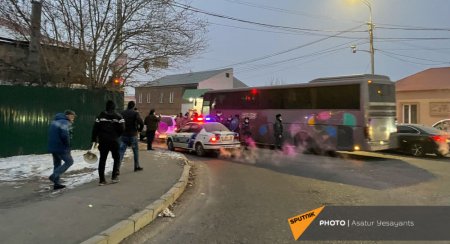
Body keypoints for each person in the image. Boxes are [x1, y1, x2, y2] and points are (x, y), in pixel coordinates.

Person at [91, 100, 124, 185]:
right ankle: (114, 177)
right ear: (114, 107)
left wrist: (94, 139)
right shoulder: (118, 116)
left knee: (102, 159)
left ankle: (102, 180)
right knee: (116, 158)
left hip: (103, 141)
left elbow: (95, 129)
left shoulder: (100, 116)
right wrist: (117, 135)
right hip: (114, 141)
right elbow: (122, 129)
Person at [48, 110, 77, 190]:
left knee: (57, 163)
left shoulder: (55, 121)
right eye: (72, 116)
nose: (73, 118)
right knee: (69, 161)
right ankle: (54, 175)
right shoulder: (65, 122)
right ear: (67, 115)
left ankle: (56, 184)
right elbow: (65, 134)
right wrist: (68, 145)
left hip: (53, 146)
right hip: (61, 146)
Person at [119, 101, 144, 173]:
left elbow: (119, 123)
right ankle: (136, 166)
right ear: (133, 106)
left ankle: (117, 168)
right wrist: (139, 130)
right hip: (133, 135)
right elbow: (141, 122)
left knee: (121, 152)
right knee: (135, 151)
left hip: (124, 135)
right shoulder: (135, 113)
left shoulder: (122, 113)